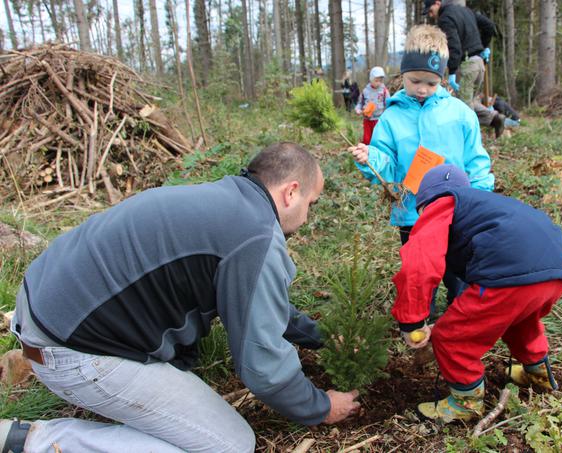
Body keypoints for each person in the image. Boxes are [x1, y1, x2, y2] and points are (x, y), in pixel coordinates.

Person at [2, 143, 360, 453]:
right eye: (311, 203)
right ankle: (33, 442)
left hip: (45, 307)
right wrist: (320, 407)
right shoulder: (255, 236)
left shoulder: (229, 203)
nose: (308, 216)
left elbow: (258, 304)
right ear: (291, 192)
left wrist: (318, 337)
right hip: (74, 349)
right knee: (229, 444)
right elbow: (263, 367)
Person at [392, 164, 562, 423]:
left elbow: (420, 263)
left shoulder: (441, 204)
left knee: (452, 336)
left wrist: (412, 319)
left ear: (424, 202)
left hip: (512, 270)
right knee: (520, 321)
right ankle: (538, 375)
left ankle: (465, 403)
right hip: (556, 269)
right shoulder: (487, 205)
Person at [348, 25, 493, 249]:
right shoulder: (391, 118)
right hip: (411, 213)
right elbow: (387, 162)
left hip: (455, 212)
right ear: (403, 73)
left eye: (431, 83)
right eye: (415, 81)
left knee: (459, 275)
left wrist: (478, 200)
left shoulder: (461, 114)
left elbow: (475, 160)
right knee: (418, 274)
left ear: (441, 79)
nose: (422, 89)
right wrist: (371, 158)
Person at [423, 0, 495, 107]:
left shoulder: (445, 19)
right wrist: (482, 47)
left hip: (467, 67)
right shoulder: (466, 11)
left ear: (437, 3)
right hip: (479, 65)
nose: (430, 15)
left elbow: (454, 46)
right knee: (470, 105)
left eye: (430, 11)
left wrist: (452, 71)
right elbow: (489, 26)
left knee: (462, 109)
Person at [355, 66, 390, 145]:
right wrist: (358, 109)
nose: (378, 83)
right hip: (367, 120)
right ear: (371, 79)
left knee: (378, 139)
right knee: (367, 139)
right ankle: (367, 154)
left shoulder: (384, 91)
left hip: (379, 119)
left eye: (380, 81)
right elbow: (360, 103)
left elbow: (389, 104)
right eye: (376, 80)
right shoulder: (365, 91)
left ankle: (378, 153)